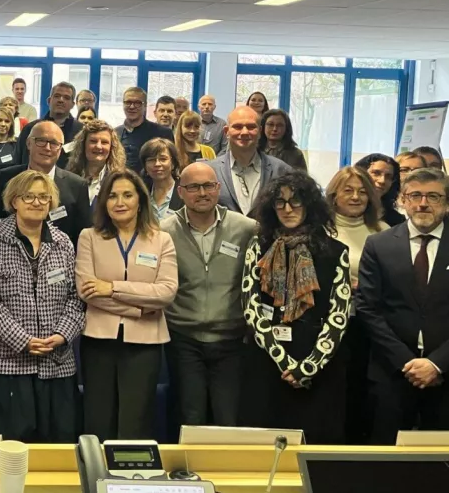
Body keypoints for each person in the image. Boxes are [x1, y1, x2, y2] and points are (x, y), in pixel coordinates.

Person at [241, 171, 351, 444]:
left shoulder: (335, 251)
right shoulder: (258, 246)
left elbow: (339, 315)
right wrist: (284, 361)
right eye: (280, 203)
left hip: (319, 363)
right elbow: (250, 306)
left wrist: (309, 366)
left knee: (316, 443)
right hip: (268, 359)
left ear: (310, 205)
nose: (287, 209)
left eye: (296, 202)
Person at [0, 170, 83, 442]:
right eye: (29, 197)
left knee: (59, 441)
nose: (37, 203)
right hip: (8, 363)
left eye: (43, 197)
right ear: (14, 201)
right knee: (13, 444)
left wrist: (62, 335)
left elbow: (76, 297)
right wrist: (22, 340)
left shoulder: (63, 243)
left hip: (57, 361)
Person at [78, 169, 178, 441]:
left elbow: (166, 292)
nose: (119, 202)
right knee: (98, 416)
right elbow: (88, 292)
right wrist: (140, 307)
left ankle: (129, 480)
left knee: (136, 419)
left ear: (140, 201)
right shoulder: (89, 237)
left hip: (145, 344)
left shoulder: (161, 239)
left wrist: (112, 287)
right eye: (112, 196)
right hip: (98, 340)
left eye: (127, 195)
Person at [160, 162, 257, 428]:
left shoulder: (246, 229)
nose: (202, 193)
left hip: (231, 339)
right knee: (190, 416)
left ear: (218, 188)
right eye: (193, 187)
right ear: (181, 191)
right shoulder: (163, 232)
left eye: (208, 186)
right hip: (183, 338)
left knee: (228, 417)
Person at [358, 167, 449, 443]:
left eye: (433, 196)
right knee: (385, 464)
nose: (423, 203)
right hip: (392, 374)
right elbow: (367, 308)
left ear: (446, 203)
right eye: (416, 195)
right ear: (402, 200)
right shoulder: (378, 244)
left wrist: (436, 364)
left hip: (446, 374)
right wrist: (408, 362)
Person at [325, 166, 388, 443]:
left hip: (371, 326)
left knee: (365, 392)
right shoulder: (320, 230)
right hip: (329, 326)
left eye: (363, 192)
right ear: (333, 195)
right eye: (348, 190)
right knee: (336, 391)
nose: (355, 197)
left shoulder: (383, 231)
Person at [0, 121, 93, 246]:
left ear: (60, 149)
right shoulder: (6, 178)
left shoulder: (77, 186)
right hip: (9, 258)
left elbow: (82, 235)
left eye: (54, 143)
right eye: (41, 141)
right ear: (28, 143)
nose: (47, 147)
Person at [207, 106, 292, 215]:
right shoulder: (210, 171)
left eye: (251, 127)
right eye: (237, 127)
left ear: (260, 131)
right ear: (226, 131)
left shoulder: (281, 170)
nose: (244, 132)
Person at [14, 82, 82, 169]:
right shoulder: (31, 128)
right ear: (49, 101)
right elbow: (18, 161)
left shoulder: (81, 131)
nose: (61, 100)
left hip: (68, 181)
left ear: (73, 104)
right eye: (57, 96)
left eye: (66, 98)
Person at [66, 119, 127, 206]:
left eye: (104, 142)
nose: (98, 146)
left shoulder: (119, 179)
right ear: (83, 145)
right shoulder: (69, 177)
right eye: (93, 141)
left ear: (112, 148)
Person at [117, 87, 173, 173]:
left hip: (151, 185)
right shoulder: (115, 133)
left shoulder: (163, 133)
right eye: (128, 102)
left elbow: (170, 165)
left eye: (137, 103)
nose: (132, 106)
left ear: (145, 106)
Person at [139, 138, 184, 221]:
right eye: (151, 160)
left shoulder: (185, 192)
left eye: (163, 159)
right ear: (145, 166)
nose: (157, 164)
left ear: (173, 163)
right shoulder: (140, 194)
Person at [355, 153, 405, 226]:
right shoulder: (342, 212)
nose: (382, 181)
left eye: (388, 176)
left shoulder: (397, 221)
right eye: (376, 173)